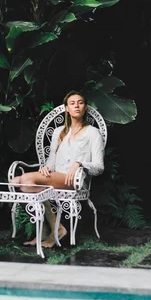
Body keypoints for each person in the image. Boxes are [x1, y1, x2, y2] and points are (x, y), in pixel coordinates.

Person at [10, 90, 105, 248]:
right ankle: (51, 229)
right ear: (67, 108)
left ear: (85, 107)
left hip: (74, 180)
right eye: (72, 103)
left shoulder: (93, 133)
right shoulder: (58, 132)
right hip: (55, 177)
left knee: (26, 180)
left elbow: (99, 167)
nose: (76, 106)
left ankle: (54, 230)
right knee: (17, 182)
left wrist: (80, 164)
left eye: (80, 103)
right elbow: (52, 159)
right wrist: (47, 168)